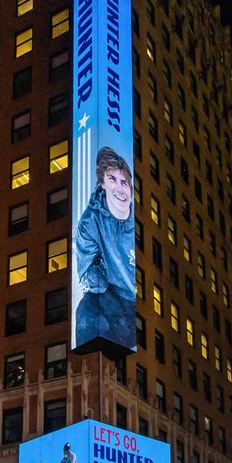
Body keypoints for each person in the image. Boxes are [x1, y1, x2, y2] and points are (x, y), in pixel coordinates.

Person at [74, 146, 136, 349]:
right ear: (102, 183)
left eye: (124, 182)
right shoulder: (90, 222)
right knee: (87, 309)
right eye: (112, 179)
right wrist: (97, 276)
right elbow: (87, 270)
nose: (120, 188)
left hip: (137, 301)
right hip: (114, 297)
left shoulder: (138, 222)